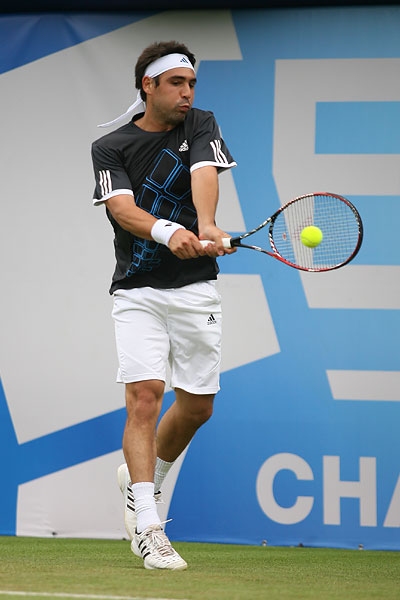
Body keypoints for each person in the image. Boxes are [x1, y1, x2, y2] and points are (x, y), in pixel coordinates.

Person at [91, 40, 236, 571]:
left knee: (197, 406)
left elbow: (203, 173)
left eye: (192, 83)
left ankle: (143, 477)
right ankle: (149, 527)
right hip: (138, 290)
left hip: (196, 289)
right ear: (148, 86)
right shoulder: (110, 147)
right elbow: (122, 209)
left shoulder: (200, 123)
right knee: (145, 396)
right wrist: (168, 231)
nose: (187, 92)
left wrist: (207, 224)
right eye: (177, 83)